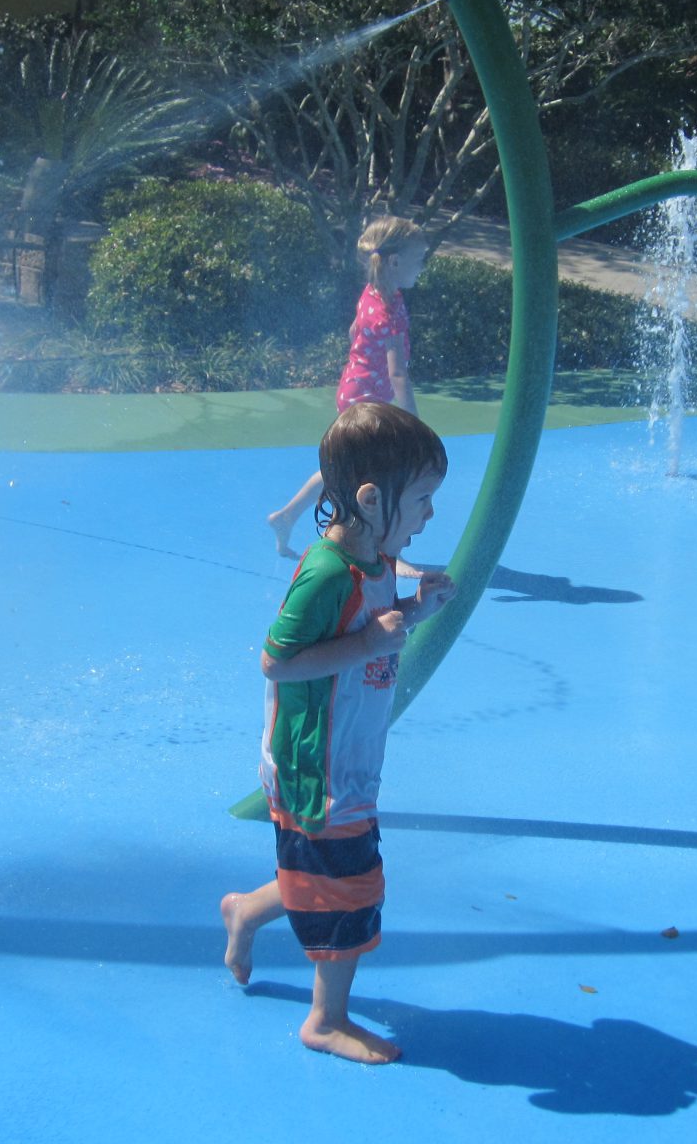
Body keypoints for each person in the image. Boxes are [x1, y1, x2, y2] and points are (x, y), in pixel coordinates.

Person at [224, 401, 456, 1064]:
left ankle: (244, 912)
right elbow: (277, 660)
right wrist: (364, 646)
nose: (430, 515)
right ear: (369, 497)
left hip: (350, 755)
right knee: (352, 888)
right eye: (422, 499)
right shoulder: (326, 574)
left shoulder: (378, 560)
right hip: (315, 761)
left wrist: (413, 610)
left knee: (320, 874)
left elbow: (372, 630)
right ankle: (325, 1020)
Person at [268, 216, 430, 561]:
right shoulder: (387, 310)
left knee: (346, 464)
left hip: (358, 388)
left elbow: (355, 330)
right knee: (374, 473)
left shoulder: (376, 294)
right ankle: (384, 552)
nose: (422, 267)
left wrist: (358, 364)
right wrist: (415, 425)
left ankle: (287, 516)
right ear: (396, 262)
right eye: (419, 260)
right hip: (367, 400)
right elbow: (398, 372)